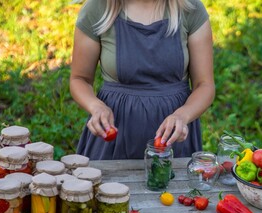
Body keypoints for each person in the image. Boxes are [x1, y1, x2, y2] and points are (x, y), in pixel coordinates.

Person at [70, 0, 215, 160]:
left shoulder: (189, 8)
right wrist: (96, 107)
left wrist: (183, 116)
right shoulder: (98, 8)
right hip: (112, 143)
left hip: (174, 141)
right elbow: (79, 79)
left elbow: (204, 85)